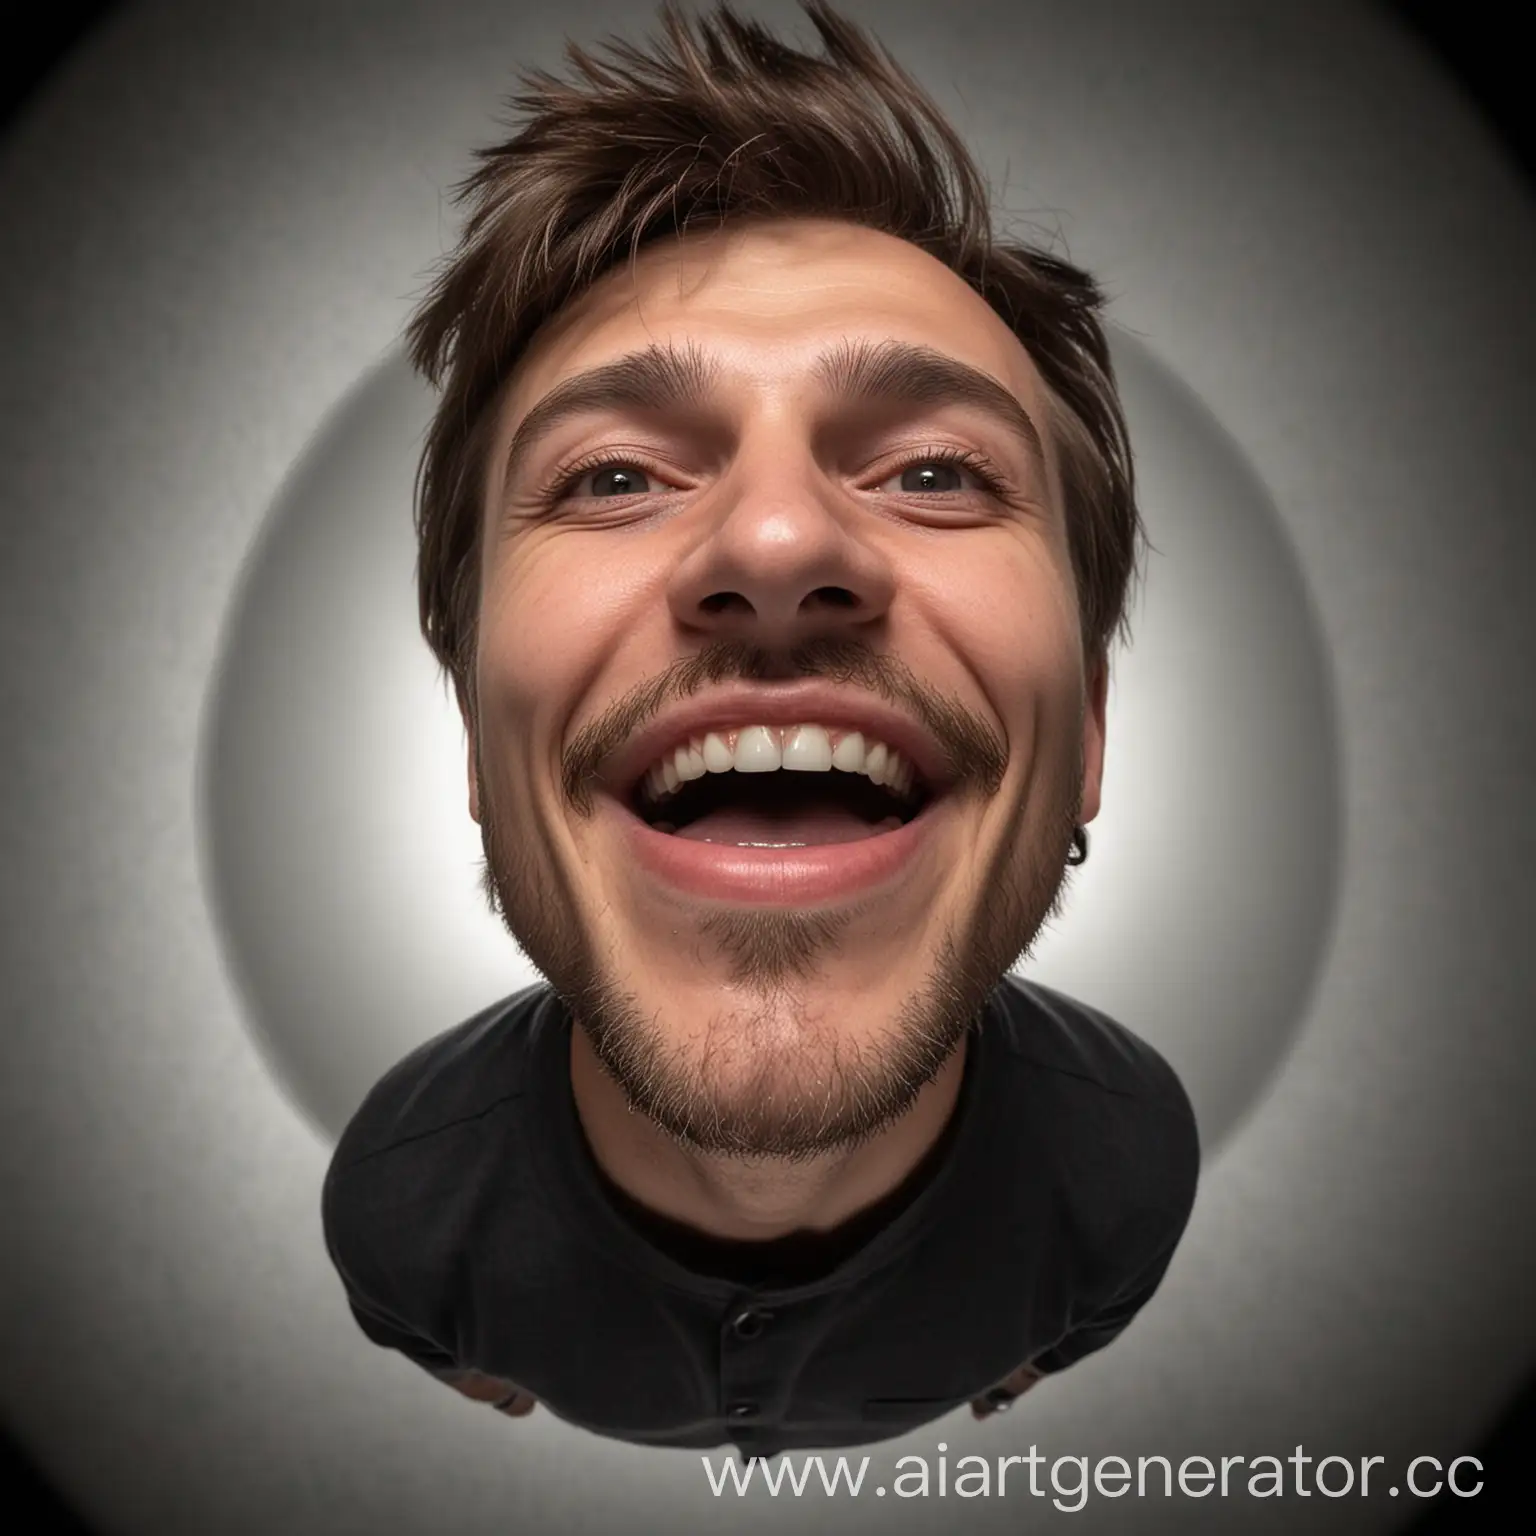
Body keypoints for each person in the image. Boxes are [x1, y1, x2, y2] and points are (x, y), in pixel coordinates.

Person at [321, 0, 1198, 1458]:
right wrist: (486, 1369)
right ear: (476, 737)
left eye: (931, 469)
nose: (782, 539)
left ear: (1090, 726)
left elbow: (1085, 1311)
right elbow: (428, 1333)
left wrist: (1016, 1363)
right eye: (611, 479)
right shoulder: (395, 1211)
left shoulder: (1133, 1170)